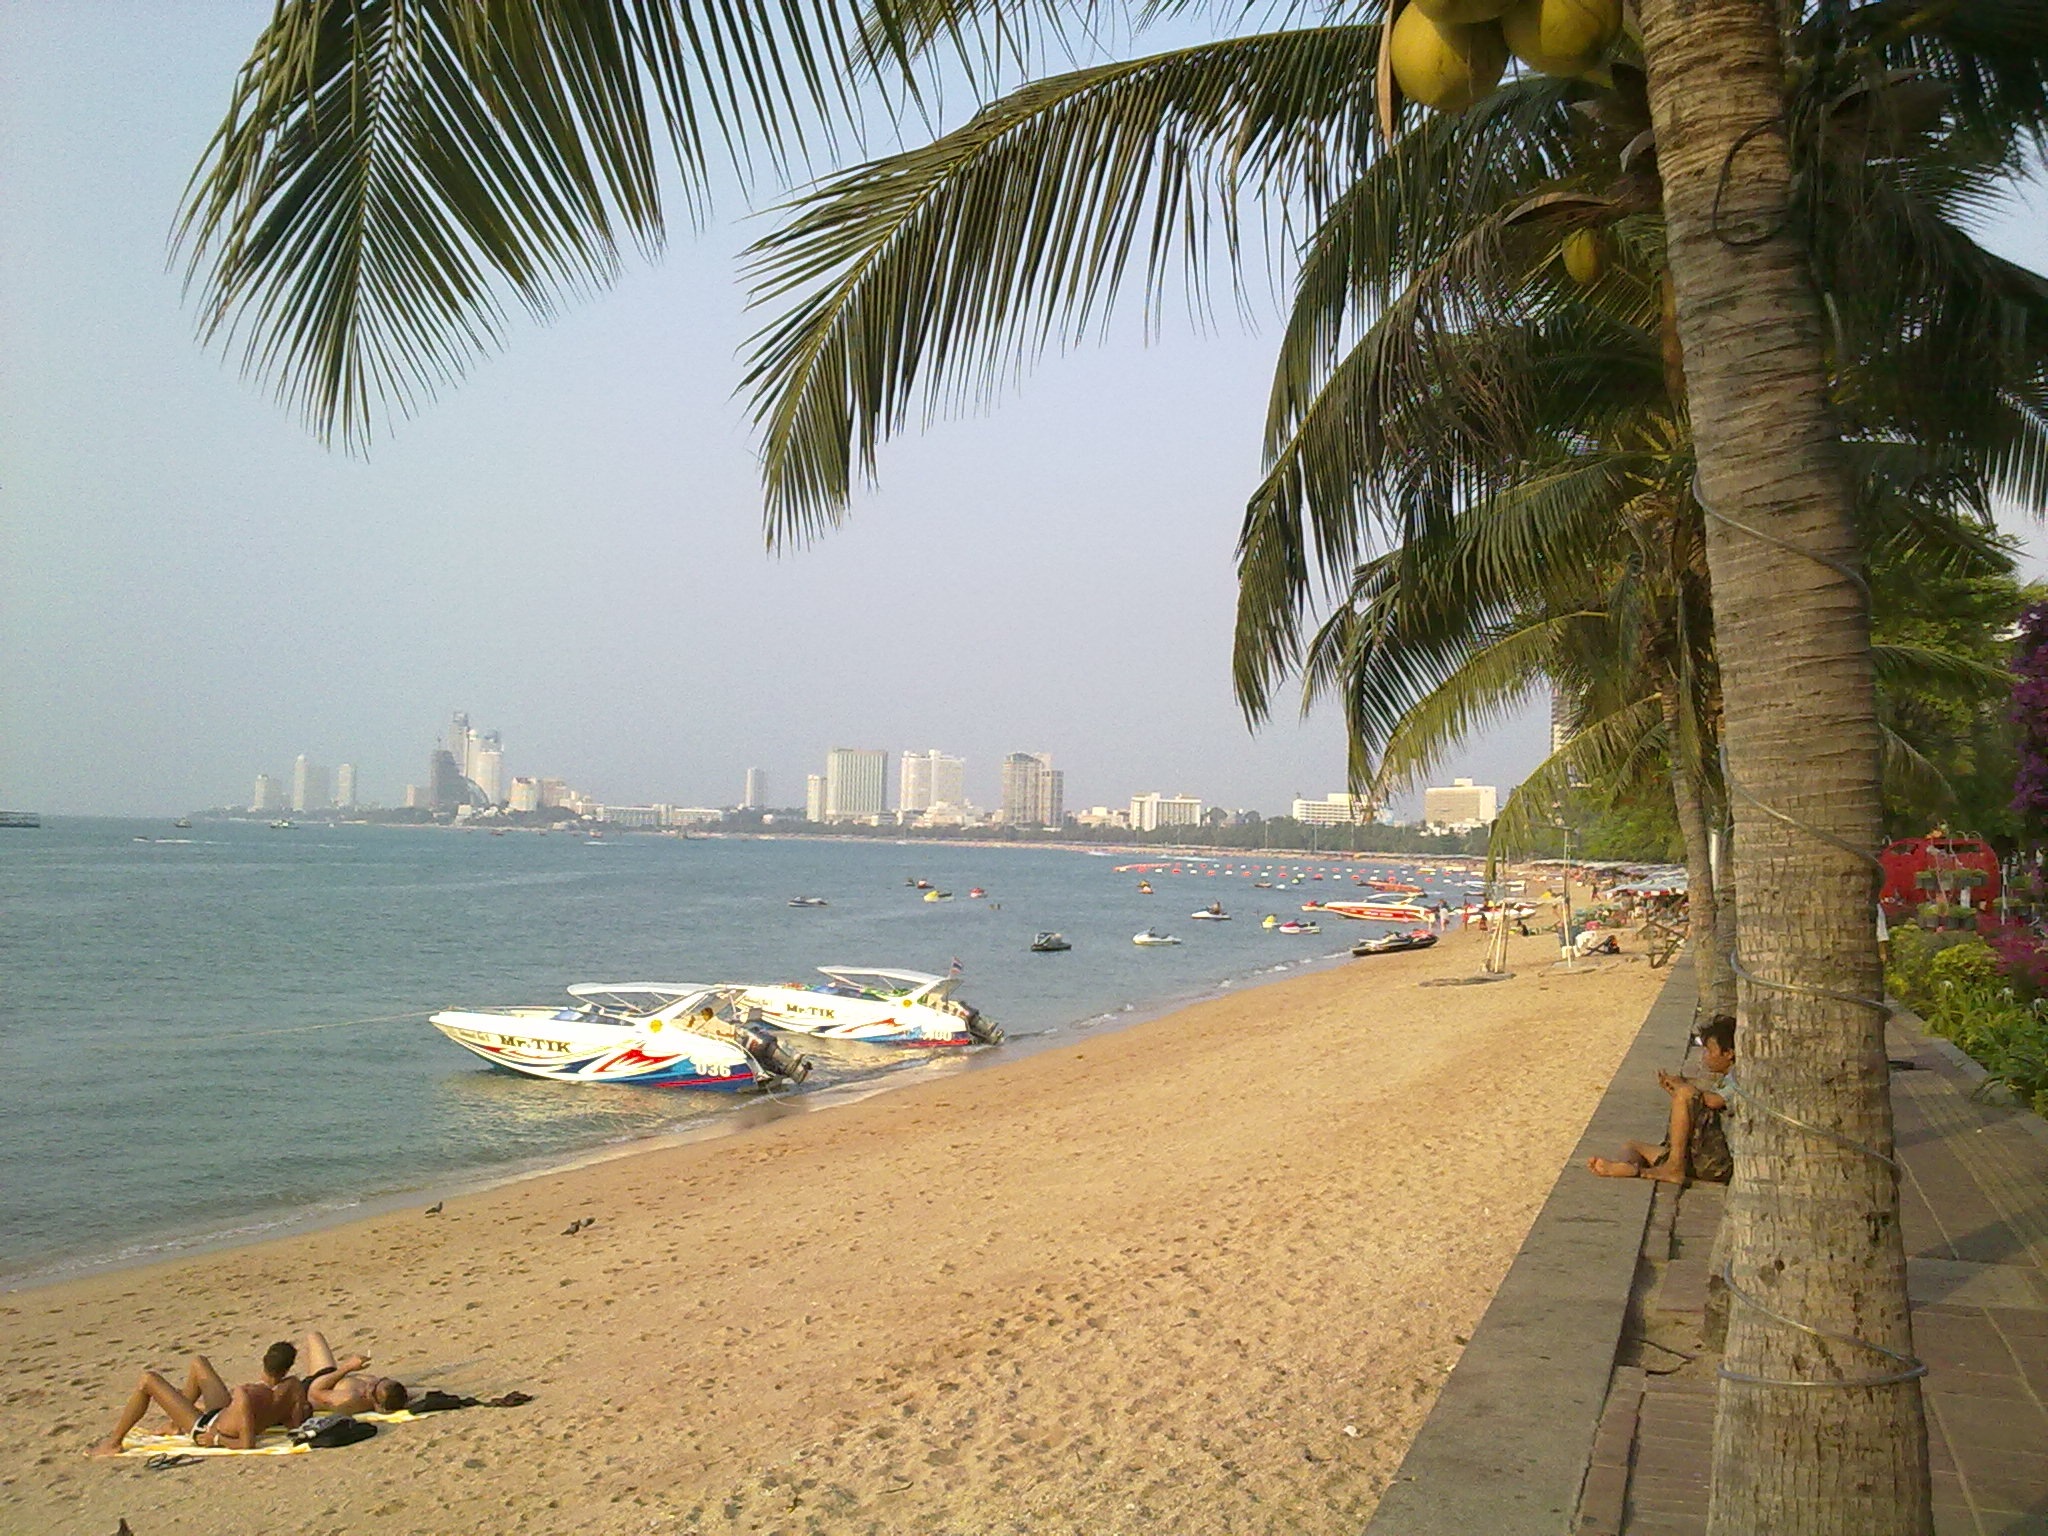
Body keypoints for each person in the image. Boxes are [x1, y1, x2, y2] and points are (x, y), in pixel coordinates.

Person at [1589, 1015, 1736, 1184]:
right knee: (1631, 1146)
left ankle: (1673, 1168)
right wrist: (1677, 1091)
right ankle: (1630, 1167)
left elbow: (1716, 1101)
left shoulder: (1741, 1077)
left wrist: (1684, 1089)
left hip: (1718, 1161)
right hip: (1701, 1155)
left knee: (1685, 1093)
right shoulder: (1726, 1078)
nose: (1705, 1057)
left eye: (1709, 1051)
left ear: (1728, 1053)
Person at [91, 1347, 307, 1455]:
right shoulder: (294, 1386)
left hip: (205, 1427)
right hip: (223, 1412)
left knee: (148, 1380)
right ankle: (175, 1425)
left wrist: (217, 1440)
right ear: (288, 1367)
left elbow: (247, 1444)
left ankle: (114, 1442)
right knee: (198, 1362)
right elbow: (295, 1425)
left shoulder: (245, 1394)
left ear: (264, 1361)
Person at [301, 1331, 409, 1415]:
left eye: (372, 1390)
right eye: (379, 1381)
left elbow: (314, 1391)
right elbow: (411, 1392)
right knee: (314, 1336)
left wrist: (348, 1367)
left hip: (310, 1389)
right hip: (330, 1376)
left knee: (313, 1337)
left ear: (377, 1405)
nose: (371, 1384)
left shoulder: (349, 1399)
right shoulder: (384, 1390)